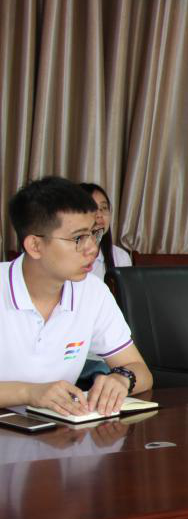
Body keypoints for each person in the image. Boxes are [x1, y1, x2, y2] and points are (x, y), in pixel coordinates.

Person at [0, 177, 153, 416]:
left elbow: (141, 372)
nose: (92, 248)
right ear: (35, 246)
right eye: (78, 238)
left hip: (59, 431)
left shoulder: (93, 292)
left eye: (94, 234)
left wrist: (122, 379)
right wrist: (28, 393)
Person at [78, 183, 132, 282]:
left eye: (103, 208)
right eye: (92, 208)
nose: (99, 215)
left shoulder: (121, 257)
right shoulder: (66, 255)